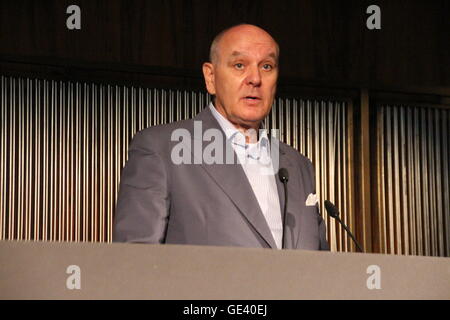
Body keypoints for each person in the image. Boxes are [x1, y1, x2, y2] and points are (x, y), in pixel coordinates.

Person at [113, 24, 329, 250]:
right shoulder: (162, 149)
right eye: (239, 65)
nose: (255, 78)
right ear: (211, 76)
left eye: (267, 66)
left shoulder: (298, 165)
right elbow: (135, 260)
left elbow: (319, 266)